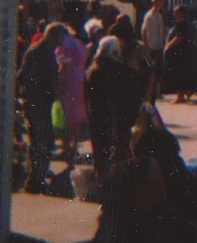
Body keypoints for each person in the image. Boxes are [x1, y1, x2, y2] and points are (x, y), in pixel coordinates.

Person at [85, 36, 147, 176]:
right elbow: (137, 94)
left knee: (101, 157)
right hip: (122, 122)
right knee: (121, 156)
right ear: (115, 51)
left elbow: (87, 99)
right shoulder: (126, 72)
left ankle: (102, 185)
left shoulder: (92, 71)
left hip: (98, 122)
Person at [18, 22, 69, 192]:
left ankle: (36, 176)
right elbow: (51, 77)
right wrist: (56, 93)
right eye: (60, 39)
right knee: (43, 141)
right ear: (53, 35)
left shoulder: (38, 48)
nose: (60, 44)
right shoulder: (44, 50)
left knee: (40, 140)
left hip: (35, 101)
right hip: (38, 102)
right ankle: (36, 179)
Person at [55, 25, 91, 160]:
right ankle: (74, 145)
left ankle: (66, 148)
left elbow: (64, 65)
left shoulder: (64, 44)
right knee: (76, 115)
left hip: (69, 79)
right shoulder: (78, 43)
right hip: (81, 78)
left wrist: (59, 82)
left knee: (66, 115)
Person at [161, 4, 197, 103]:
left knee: (178, 74)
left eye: (176, 12)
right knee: (185, 73)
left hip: (179, 52)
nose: (174, 14)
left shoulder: (182, 24)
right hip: (185, 52)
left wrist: (168, 46)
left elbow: (179, 37)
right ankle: (188, 91)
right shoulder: (188, 23)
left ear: (181, 13)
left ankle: (180, 96)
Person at [139, 0, 167, 98]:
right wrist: (146, 45)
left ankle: (158, 91)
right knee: (152, 70)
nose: (163, 3)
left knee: (159, 69)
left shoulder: (159, 15)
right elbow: (144, 31)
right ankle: (152, 91)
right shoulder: (149, 16)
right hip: (151, 46)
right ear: (157, 2)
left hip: (159, 45)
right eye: (162, 1)